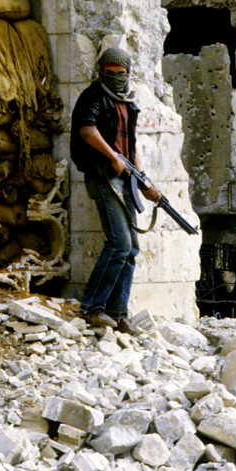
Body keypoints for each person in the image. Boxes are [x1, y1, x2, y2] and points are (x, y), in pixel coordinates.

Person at [70, 47, 161, 335]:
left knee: (131, 248)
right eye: (109, 74)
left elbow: (130, 146)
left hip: (124, 178)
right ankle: (92, 307)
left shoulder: (127, 102)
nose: (115, 78)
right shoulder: (93, 96)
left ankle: (118, 314)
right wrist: (112, 156)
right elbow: (87, 130)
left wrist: (144, 181)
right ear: (101, 72)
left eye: (120, 74)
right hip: (103, 176)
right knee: (119, 243)